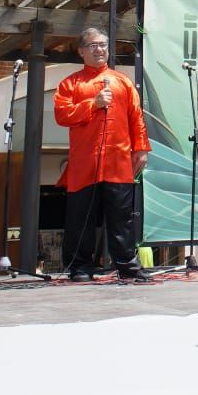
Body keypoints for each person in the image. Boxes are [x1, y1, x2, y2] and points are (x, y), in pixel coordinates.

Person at [52, 27, 151, 282]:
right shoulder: (70, 84)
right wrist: (92, 104)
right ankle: (80, 266)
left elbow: (136, 117)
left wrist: (141, 148)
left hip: (118, 161)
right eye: (93, 45)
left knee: (121, 218)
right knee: (80, 219)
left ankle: (127, 265)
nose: (100, 49)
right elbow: (62, 115)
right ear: (82, 50)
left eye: (103, 44)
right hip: (85, 162)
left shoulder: (122, 81)